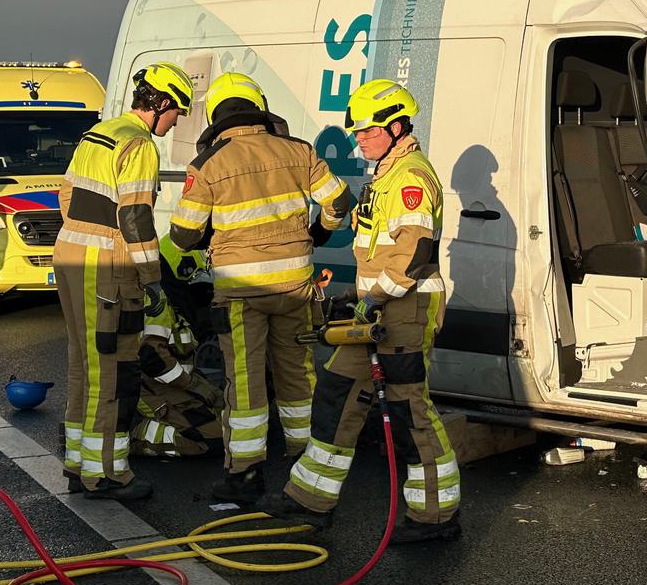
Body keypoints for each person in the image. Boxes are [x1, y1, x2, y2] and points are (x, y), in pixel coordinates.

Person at [259, 78, 461, 544]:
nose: (359, 140)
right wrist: (364, 299)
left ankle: (435, 517)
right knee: (337, 391)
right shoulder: (386, 175)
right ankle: (310, 499)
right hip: (379, 312)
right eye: (357, 132)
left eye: (368, 132)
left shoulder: (410, 177)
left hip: (404, 309)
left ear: (397, 127)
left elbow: (415, 256)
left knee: (409, 409)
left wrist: (372, 298)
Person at [169, 73, 353, 504]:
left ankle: (246, 475)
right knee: (298, 376)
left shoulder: (209, 164)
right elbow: (339, 202)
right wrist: (319, 233)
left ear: (217, 116)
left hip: (240, 294)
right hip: (296, 286)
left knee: (247, 384)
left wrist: (206, 236)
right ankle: (305, 464)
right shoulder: (298, 152)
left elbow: (182, 234)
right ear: (260, 107)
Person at [58, 62, 192, 500]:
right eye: (178, 114)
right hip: (107, 266)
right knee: (112, 371)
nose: (175, 125)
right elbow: (135, 217)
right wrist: (153, 281)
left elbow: (66, 194)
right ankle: (107, 475)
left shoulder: (99, 133)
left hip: (71, 256)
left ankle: (79, 464)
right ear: (163, 104)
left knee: (84, 364)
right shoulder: (139, 145)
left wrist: (84, 234)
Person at [131, 238, 225, 458]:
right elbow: (152, 359)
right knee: (213, 441)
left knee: (231, 420)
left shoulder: (178, 303)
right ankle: (131, 432)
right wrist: (192, 385)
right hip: (147, 389)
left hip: (173, 384)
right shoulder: (156, 302)